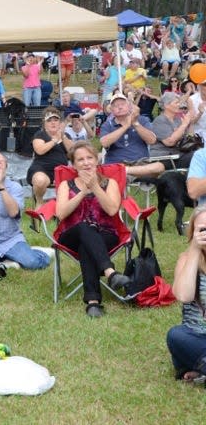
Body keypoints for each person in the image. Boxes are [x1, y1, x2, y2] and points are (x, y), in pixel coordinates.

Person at [54, 141, 132, 317]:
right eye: (80, 159)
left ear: (97, 160)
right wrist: (83, 192)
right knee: (83, 228)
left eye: (90, 157)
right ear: (73, 165)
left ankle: (93, 302)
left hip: (105, 234)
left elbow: (112, 209)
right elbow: (61, 213)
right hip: (71, 234)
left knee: (86, 247)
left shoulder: (109, 183)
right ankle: (110, 272)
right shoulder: (66, 185)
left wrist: (95, 187)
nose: (86, 162)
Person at [167, 206, 206, 383]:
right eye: (202, 229)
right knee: (176, 335)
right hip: (194, 337)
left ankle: (201, 371)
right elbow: (183, 295)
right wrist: (195, 250)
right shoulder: (186, 259)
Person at [100, 92, 163, 178]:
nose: (120, 107)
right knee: (110, 172)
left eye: (122, 104)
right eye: (115, 105)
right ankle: (124, 171)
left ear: (129, 106)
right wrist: (125, 126)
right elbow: (104, 143)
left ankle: (126, 170)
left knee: (159, 166)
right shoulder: (108, 125)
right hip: (116, 163)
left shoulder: (142, 120)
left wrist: (135, 123)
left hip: (140, 164)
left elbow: (152, 140)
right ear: (111, 110)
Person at [27, 108, 73, 207]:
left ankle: (63, 207)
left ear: (60, 122)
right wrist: (54, 140)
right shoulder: (40, 135)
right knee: (40, 181)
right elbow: (40, 150)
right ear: (44, 124)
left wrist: (62, 136)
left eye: (56, 120)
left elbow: (72, 152)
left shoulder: (66, 136)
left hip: (62, 170)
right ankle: (39, 201)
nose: (53, 123)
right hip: (42, 169)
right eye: (49, 120)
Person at [150, 91, 195, 169]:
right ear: (166, 105)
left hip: (179, 154)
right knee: (199, 157)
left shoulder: (177, 120)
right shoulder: (160, 120)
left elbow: (187, 138)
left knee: (201, 153)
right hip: (165, 157)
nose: (179, 105)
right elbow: (170, 142)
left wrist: (190, 123)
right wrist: (184, 124)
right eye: (176, 103)